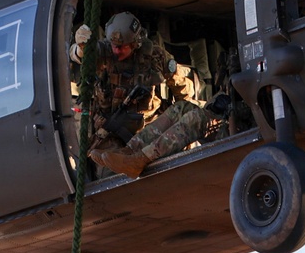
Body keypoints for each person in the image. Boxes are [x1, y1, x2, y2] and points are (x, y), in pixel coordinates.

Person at [69, 12, 196, 156]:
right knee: (106, 163)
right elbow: (78, 55)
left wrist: (183, 117)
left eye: (122, 47)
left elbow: (181, 85)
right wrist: (81, 48)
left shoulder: (154, 56)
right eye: (114, 45)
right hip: (111, 128)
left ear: (135, 44)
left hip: (149, 127)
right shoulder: (104, 51)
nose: (116, 50)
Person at [90, 93, 230, 178]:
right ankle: (130, 151)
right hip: (228, 125)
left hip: (234, 138)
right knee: (181, 108)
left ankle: (140, 159)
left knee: (197, 118)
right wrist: (215, 105)